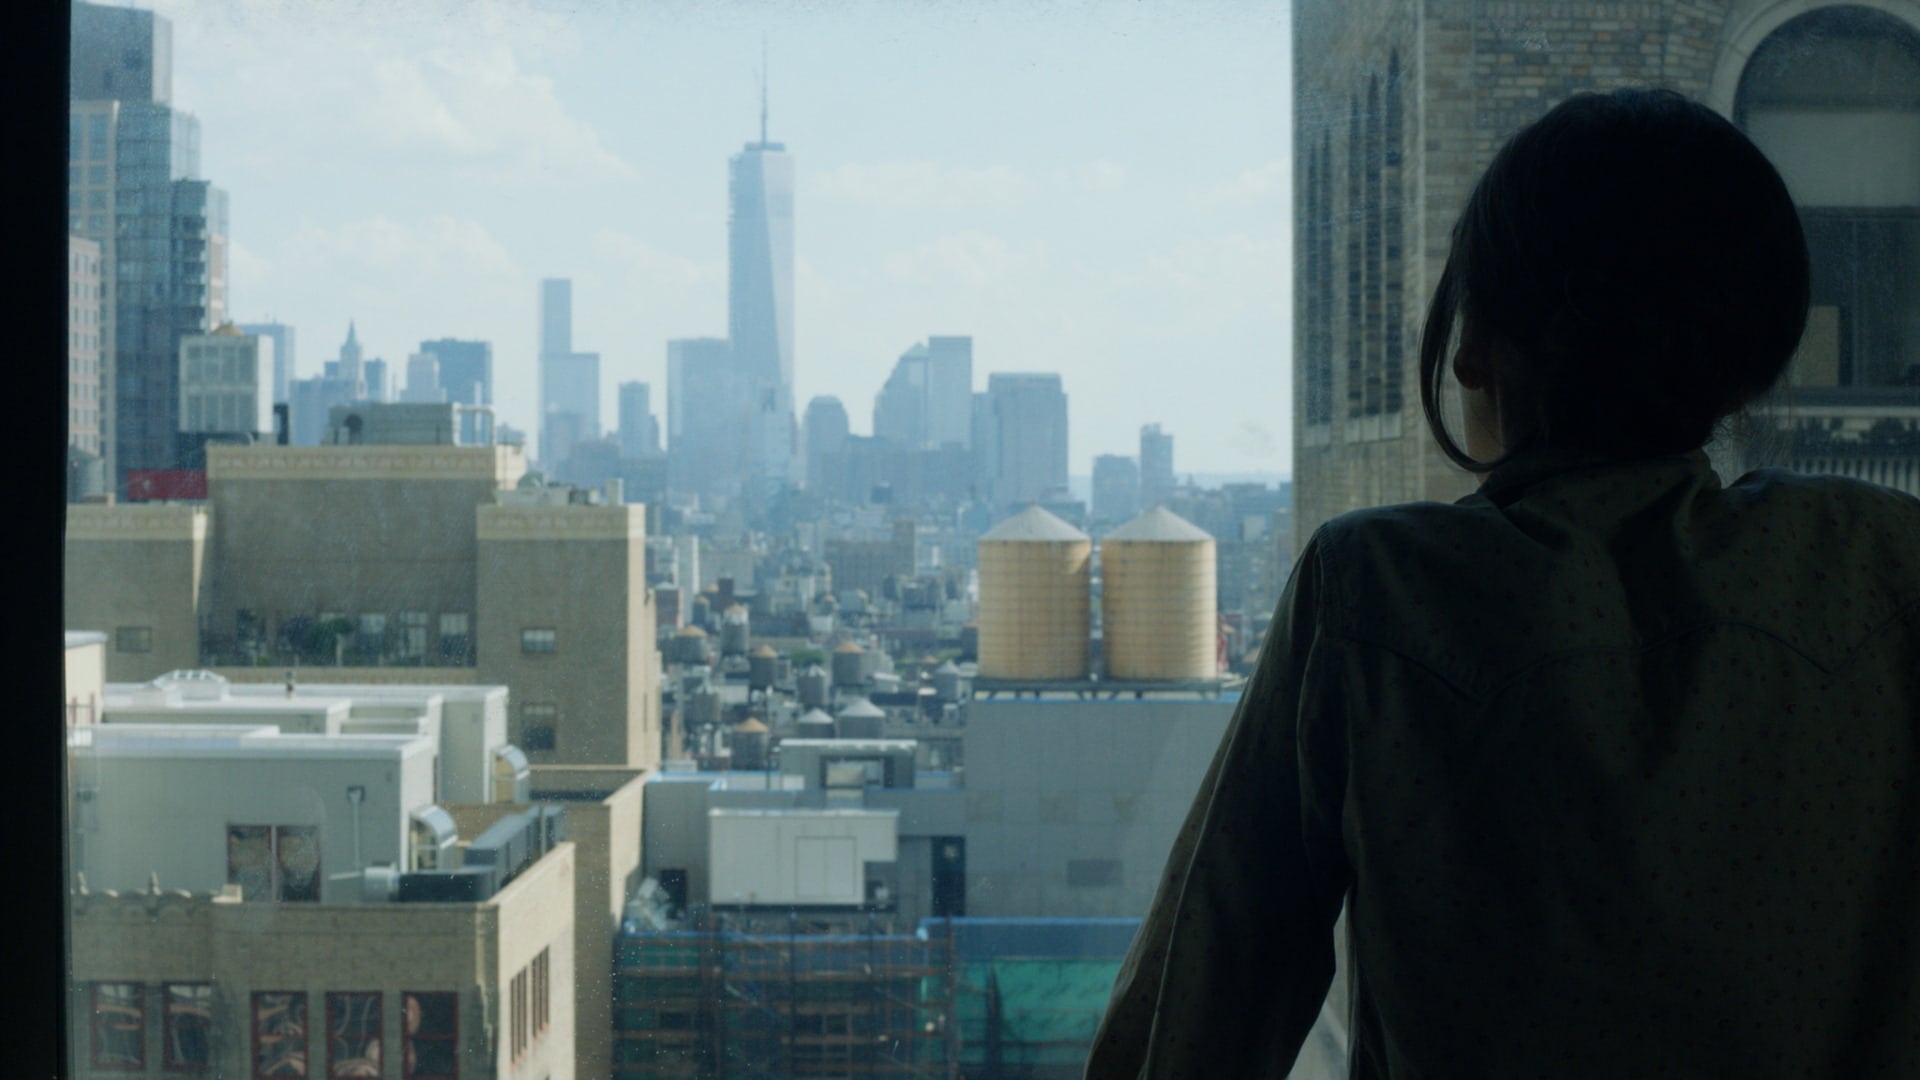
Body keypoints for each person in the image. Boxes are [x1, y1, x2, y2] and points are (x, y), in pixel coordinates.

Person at [1086, 88, 1920, 1078]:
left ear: (1474, 347)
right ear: (1756, 366)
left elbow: (1197, 1010)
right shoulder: (1879, 566)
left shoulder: (1380, 592)